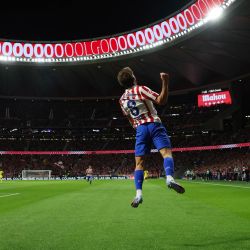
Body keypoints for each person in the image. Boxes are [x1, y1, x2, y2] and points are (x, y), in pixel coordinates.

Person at [117, 67, 185, 208]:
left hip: (140, 129)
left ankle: (138, 194)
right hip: (154, 124)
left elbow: (130, 118)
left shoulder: (122, 99)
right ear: (133, 78)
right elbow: (161, 100)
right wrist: (165, 81)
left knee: (139, 164)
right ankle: (169, 178)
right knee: (166, 153)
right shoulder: (140, 89)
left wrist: (137, 126)